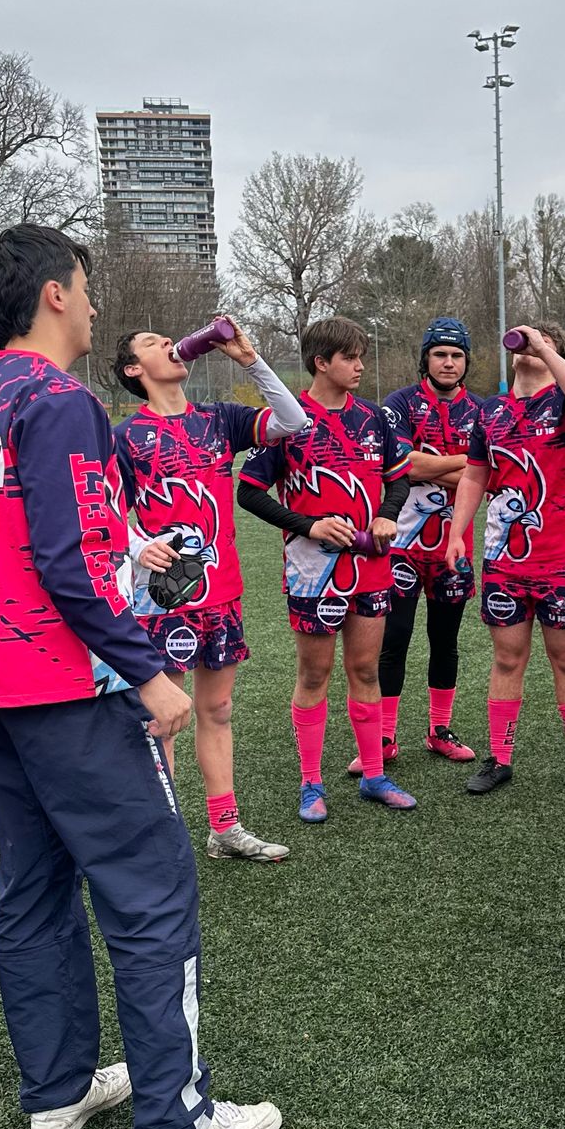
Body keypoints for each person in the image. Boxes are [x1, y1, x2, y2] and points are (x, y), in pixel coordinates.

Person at [0, 224, 280, 1129]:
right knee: (151, 890)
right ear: (55, 294)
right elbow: (73, 558)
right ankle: (178, 1124)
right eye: (84, 288)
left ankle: (57, 1093)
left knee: (34, 892)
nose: (91, 305)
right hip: (68, 693)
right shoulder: (58, 401)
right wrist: (146, 670)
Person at [113, 320, 310, 862]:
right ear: (134, 369)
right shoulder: (125, 436)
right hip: (164, 598)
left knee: (217, 709)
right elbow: (105, 511)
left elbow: (293, 420)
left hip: (221, 591)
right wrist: (138, 546)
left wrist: (250, 361)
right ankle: (161, 836)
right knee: (165, 718)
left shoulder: (219, 418)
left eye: (166, 339)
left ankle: (224, 828)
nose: (167, 343)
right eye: (150, 342)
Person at [237, 315, 415, 824]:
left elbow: (399, 480)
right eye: (350, 358)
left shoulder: (376, 417)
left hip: (372, 567)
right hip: (312, 573)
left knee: (366, 669)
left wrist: (387, 514)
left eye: (360, 357)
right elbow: (248, 493)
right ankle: (311, 783)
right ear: (321, 362)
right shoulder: (287, 419)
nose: (359, 366)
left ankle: (374, 775)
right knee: (315, 674)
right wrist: (309, 526)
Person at [444, 320, 565, 804]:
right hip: (505, 560)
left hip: (563, 557)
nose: (531, 344)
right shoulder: (491, 411)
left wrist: (545, 348)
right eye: (528, 340)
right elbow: (475, 475)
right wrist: (456, 532)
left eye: (544, 340)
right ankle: (500, 758)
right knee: (507, 657)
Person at [373, 317, 480, 767]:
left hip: (453, 547)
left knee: (445, 640)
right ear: (426, 358)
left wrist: (439, 467)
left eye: (456, 355)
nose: (448, 362)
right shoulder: (399, 403)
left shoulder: (481, 410)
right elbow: (404, 466)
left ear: (466, 361)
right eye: (440, 354)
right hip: (400, 544)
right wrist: (466, 465)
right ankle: (384, 736)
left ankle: (439, 730)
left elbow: (488, 478)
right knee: (394, 638)